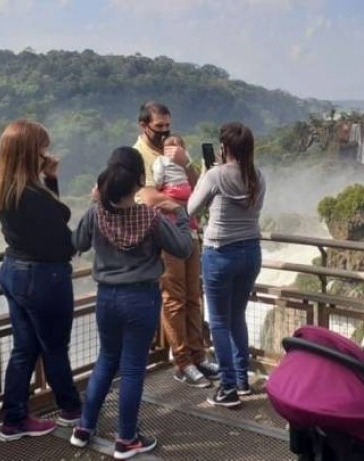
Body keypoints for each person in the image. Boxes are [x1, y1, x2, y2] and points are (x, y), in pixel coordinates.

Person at [70, 146, 192, 459]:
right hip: (141, 298)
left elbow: (77, 243)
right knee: (134, 368)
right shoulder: (150, 218)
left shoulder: (97, 213)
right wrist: (179, 214)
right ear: (139, 180)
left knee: (106, 359)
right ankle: (126, 439)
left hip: (107, 297)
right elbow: (182, 248)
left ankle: (84, 427)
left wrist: (94, 203)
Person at [0, 119, 82, 441]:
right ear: (31, 153)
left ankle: (13, 420)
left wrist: (49, 179)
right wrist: (52, 181)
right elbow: (64, 240)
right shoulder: (34, 197)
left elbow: (52, 221)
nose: (47, 152)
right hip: (44, 276)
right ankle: (72, 411)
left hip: (13, 270)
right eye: (42, 147)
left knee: (24, 349)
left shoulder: (3, 188)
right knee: (55, 348)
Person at [134, 101, 219, 388]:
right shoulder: (139, 155)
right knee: (174, 299)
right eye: (159, 127)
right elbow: (146, 196)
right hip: (162, 235)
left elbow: (198, 186)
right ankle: (182, 362)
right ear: (143, 125)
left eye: (167, 126)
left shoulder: (175, 148)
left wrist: (185, 163)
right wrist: (179, 205)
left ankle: (199, 355)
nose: (164, 132)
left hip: (189, 232)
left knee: (194, 296)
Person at [187, 122, 266, 408]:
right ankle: (242, 380)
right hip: (251, 253)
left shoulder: (215, 175)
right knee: (236, 317)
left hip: (220, 253)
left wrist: (205, 175)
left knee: (219, 321)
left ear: (224, 147)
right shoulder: (258, 176)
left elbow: (190, 209)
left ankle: (228, 387)